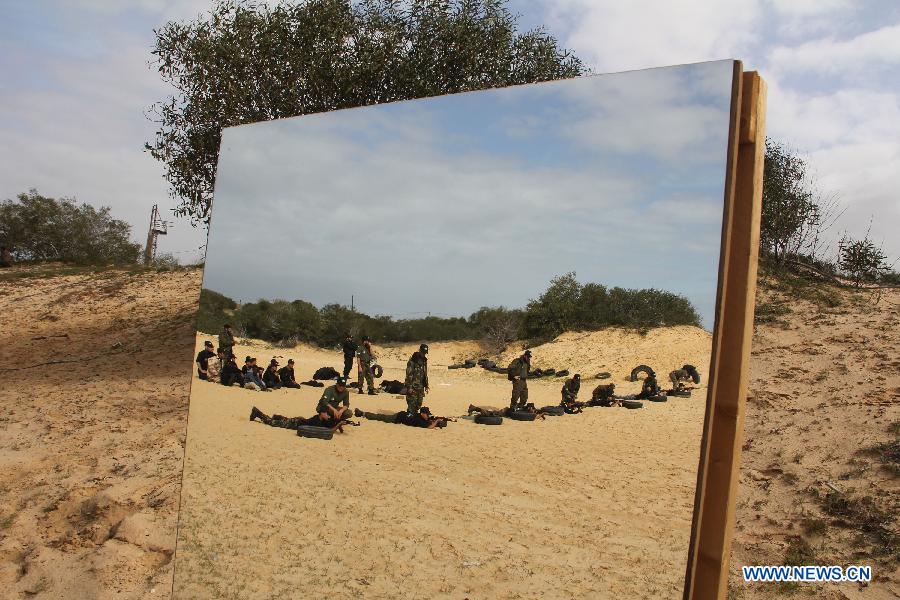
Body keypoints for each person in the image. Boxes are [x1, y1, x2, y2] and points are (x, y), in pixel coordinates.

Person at [249, 406, 356, 431]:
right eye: (326, 414)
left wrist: (342, 423)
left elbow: (330, 422)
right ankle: (257, 412)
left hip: (299, 420)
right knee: (272, 423)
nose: (328, 416)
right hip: (296, 424)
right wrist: (338, 425)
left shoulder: (322, 419)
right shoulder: (317, 421)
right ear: (321, 414)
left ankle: (278, 417)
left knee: (282, 420)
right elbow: (328, 431)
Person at [356, 405, 447, 429]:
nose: (428, 416)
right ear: (422, 414)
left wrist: (436, 419)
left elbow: (429, 419)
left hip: (401, 414)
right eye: (426, 414)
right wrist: (436, 422)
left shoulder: (421, 416)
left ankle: (363, 413)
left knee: (383, 415)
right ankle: (362, 414)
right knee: (380, 417)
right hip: (397, 418)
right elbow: (430, 427)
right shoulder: (420, 420)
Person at [404, 344, 429, 413]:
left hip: (421, 386)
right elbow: (409, 374)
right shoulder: (413, 360)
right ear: (420, 350)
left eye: (425, 353)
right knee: (412, 403)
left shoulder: (424, 361)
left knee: (419, 404)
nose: (423, 354)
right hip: (413, 386)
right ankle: (409, 416)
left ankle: (414, 414)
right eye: (422, 352)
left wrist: (426, 385)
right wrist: (409, 387)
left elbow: (425, 373)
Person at [467, 402, 546, 419]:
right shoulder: (525, 410)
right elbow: (532, 416)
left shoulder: (525, 409)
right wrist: (539, 416)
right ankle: (474, 408)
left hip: (507, 411)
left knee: (492, 412)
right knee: (491, 414)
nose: (533, 411)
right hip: (506, 411)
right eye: (533, 410)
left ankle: (474, 408)